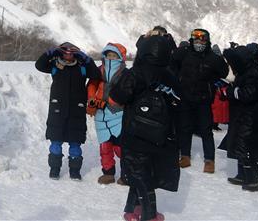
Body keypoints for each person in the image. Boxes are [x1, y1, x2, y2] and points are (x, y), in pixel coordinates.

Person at [111, 34, 181, 221]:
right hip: (160, 135)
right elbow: (179, 101)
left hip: (136, 133)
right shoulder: (169, 75)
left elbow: (117, 96)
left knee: (139, 174)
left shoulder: (136, 73)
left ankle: (149, 215)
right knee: (146, 171)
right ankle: (132, 208)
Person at [34, 42, 100, 180]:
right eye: (65, 51)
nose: (68, 54)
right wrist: (50, 53)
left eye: (72, 52)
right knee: (56, 141)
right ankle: (54, 169)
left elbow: (95, 73)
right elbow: (39, 65)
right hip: (57, 109)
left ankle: (75, 171)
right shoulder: (54, 65)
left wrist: (86, 58)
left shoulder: (82, 66)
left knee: (75, 142)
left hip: (77, 110)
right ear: (60, 52)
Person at [218, 43, 258, 192]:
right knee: (239, 145)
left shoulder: (252, 74)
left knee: (245, 148)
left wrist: (230, 92)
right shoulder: (247, 71)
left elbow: (248, 94)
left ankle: (254, 180)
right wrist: (229, 92)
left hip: (253, 119)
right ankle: (241, 174)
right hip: (245, 116)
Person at [170, 28, 228, 173]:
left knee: (206, 130)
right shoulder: (184, 53)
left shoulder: (212, 57)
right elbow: (172, 65)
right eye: (195, 38)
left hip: (204, 99)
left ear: (207, 40)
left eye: (202, 39)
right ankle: (185, 156)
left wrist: (213, 78)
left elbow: (224, 72)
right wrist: (178, 82)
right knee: (185, 128)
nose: (198, 42)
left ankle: (209, 160)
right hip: (185, 97)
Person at [87, 43, 128, 185]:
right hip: (100, 115)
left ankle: (126, 174)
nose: (110, 58)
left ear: (120, 57)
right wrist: (91, 101)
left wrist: (115, 101)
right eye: (108, 55)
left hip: (119, 115)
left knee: (121, 148)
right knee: (105, 147)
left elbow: (128, 91)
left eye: (114, 55)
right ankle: (108, 173)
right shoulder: (99, 71)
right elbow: (92, 85)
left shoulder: (125, 73)